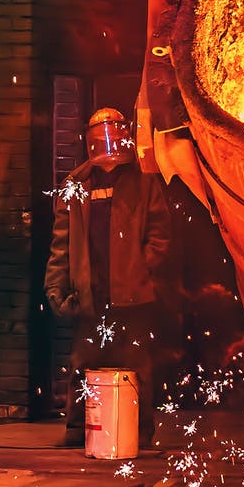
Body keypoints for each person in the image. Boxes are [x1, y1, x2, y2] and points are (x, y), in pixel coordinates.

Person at [44, 108, 176, 449]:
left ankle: (139, 434)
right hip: (90, 294)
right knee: (82, 365)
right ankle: (78, 432)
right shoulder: (75, 185)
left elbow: (160, 235)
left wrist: (140, 272)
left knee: (136, 368)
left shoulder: (144, 180)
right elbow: (62, 243)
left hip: (132, 297)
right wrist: (56, 286)